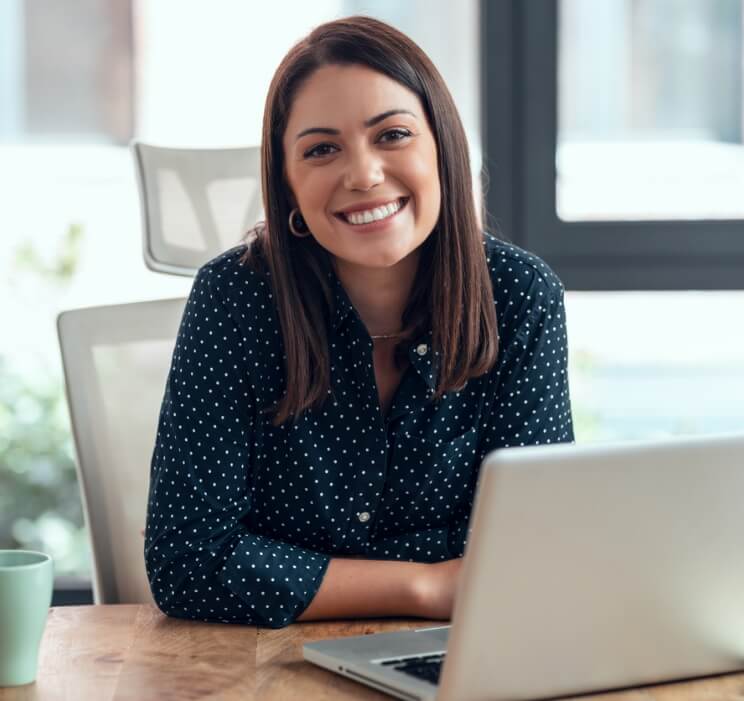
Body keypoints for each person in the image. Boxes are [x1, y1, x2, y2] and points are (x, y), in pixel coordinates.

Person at [144, 15, 574, 629]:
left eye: (392, 134)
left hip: (465, 655)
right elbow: (188, 565)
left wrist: (287, 569)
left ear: (442, 150)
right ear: (288, 186)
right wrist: (427, 585)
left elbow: (531, 550)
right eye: (321, 149)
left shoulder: (518, 296)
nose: (364, 175)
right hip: (256, 664)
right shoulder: (234, 297)